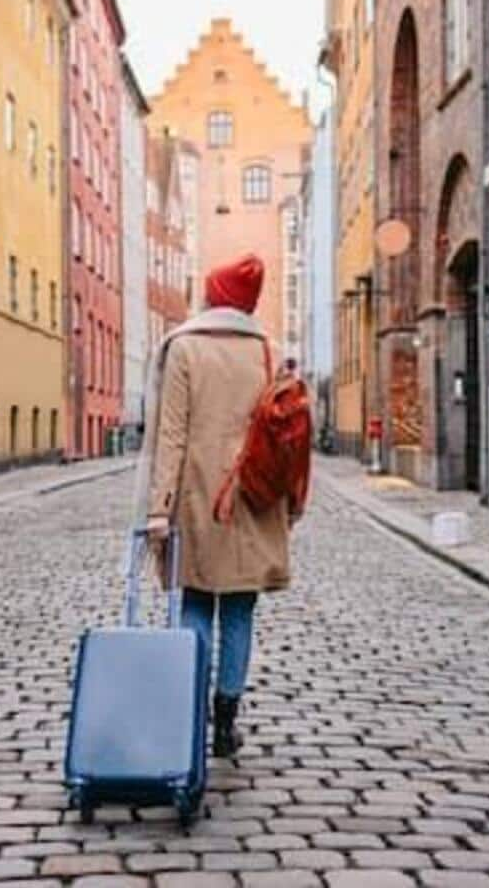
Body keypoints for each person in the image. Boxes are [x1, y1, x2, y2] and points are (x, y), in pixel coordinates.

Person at [134, 253, 295, 758]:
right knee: (241, 613)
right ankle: (226, 722)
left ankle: (190, 710)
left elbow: (171, 435)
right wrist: (290, 500)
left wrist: (158, 508)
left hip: (198, 500)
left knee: (197, 603)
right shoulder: (270, 351)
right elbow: (285, 434)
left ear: (213, 297)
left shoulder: (183, 348)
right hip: (254, 502)